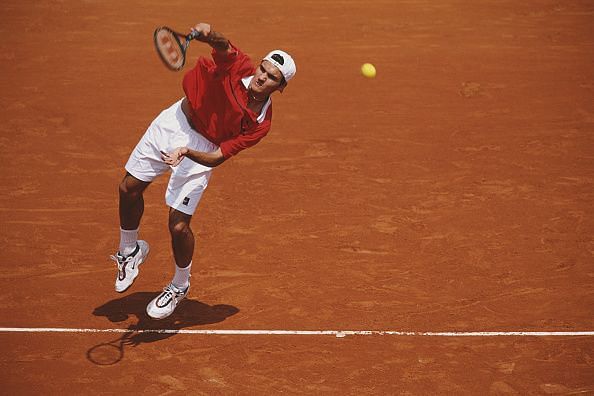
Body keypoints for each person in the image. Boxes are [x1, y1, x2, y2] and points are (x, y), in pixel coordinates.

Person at [110, 22, 296, 320]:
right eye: (263, 69)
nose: (262, 77)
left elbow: (216, 156)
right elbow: (223, 46)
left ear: (280, 87)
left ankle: (179, 285)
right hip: (175, 120)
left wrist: (186, 152)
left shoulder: (260, 124)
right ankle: (129, 250)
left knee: (178, 226)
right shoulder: (239, 66)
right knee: (128, 188)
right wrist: (209, 34)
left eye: (272, 77)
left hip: (202, 150)